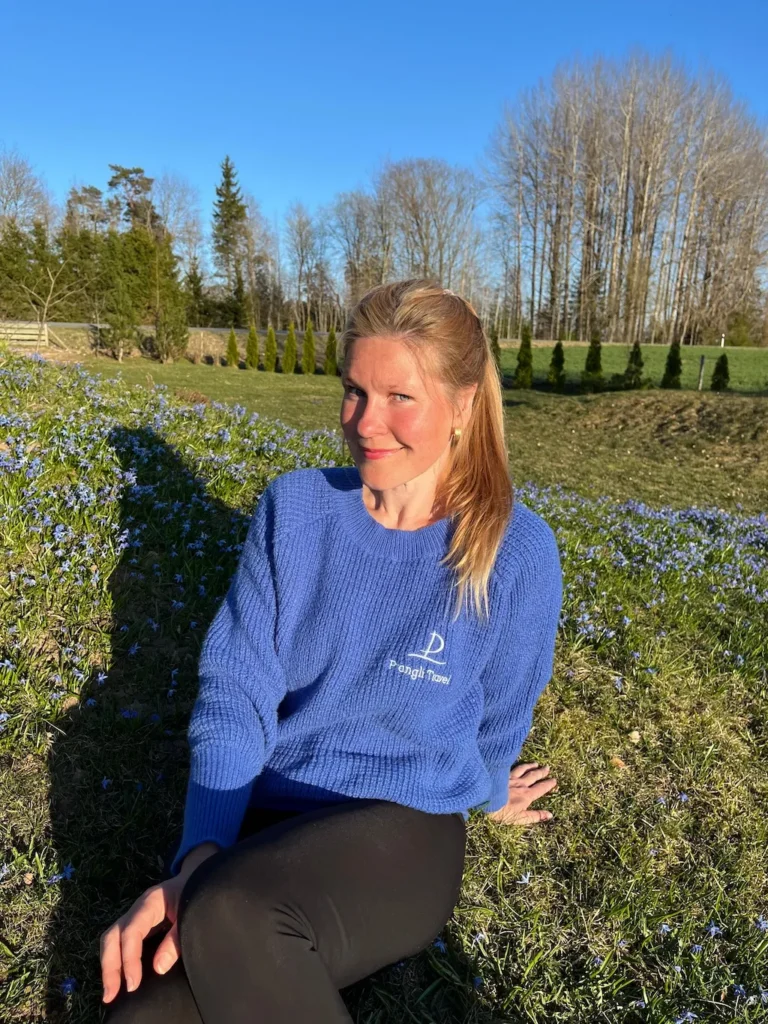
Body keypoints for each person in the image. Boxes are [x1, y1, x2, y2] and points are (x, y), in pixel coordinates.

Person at [99, 278, 563, 1023]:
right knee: (141, 1012)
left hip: (402, 829)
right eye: (353, 391)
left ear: (465, 404)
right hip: (268, 820)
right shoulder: (297, 509)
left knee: (230, 917)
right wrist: (201, 858)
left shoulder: (515, 553)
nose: (366, 423)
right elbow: (234, 691)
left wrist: (483, 786)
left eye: (399, 397)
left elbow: (501, 714)